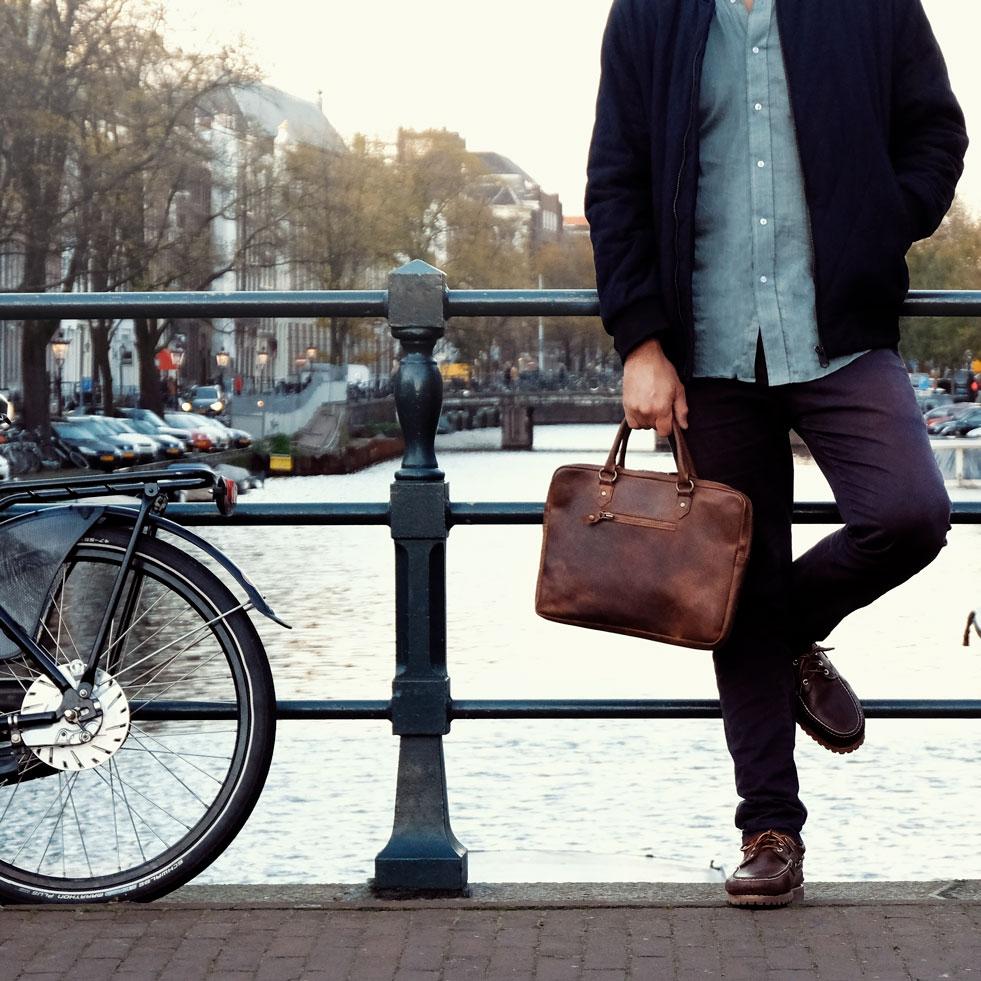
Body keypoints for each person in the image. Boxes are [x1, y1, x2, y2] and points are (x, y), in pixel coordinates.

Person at [585, 0, 967, 907]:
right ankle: (769, 831)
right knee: (737, 578)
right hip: (705, 345)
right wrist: (639, 341)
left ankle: (788, 632)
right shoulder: (649, 14)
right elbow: (616, 179)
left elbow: (935, 130)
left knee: (909, 512)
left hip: (837, 329)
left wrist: (882, 218)